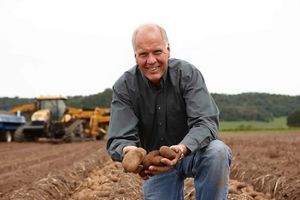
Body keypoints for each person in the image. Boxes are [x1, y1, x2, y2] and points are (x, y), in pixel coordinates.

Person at [107, 23, 232, 200]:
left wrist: (181, 149)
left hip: (191, 152)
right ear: (135, 56)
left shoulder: (187, 74)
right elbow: (119, 137)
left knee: (217, 152)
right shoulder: (125, 87)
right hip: (155, 165)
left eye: (157, 52)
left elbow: (206, 122)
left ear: (168, 50)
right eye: (143, 54)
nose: (151, 61)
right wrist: (130, 152)